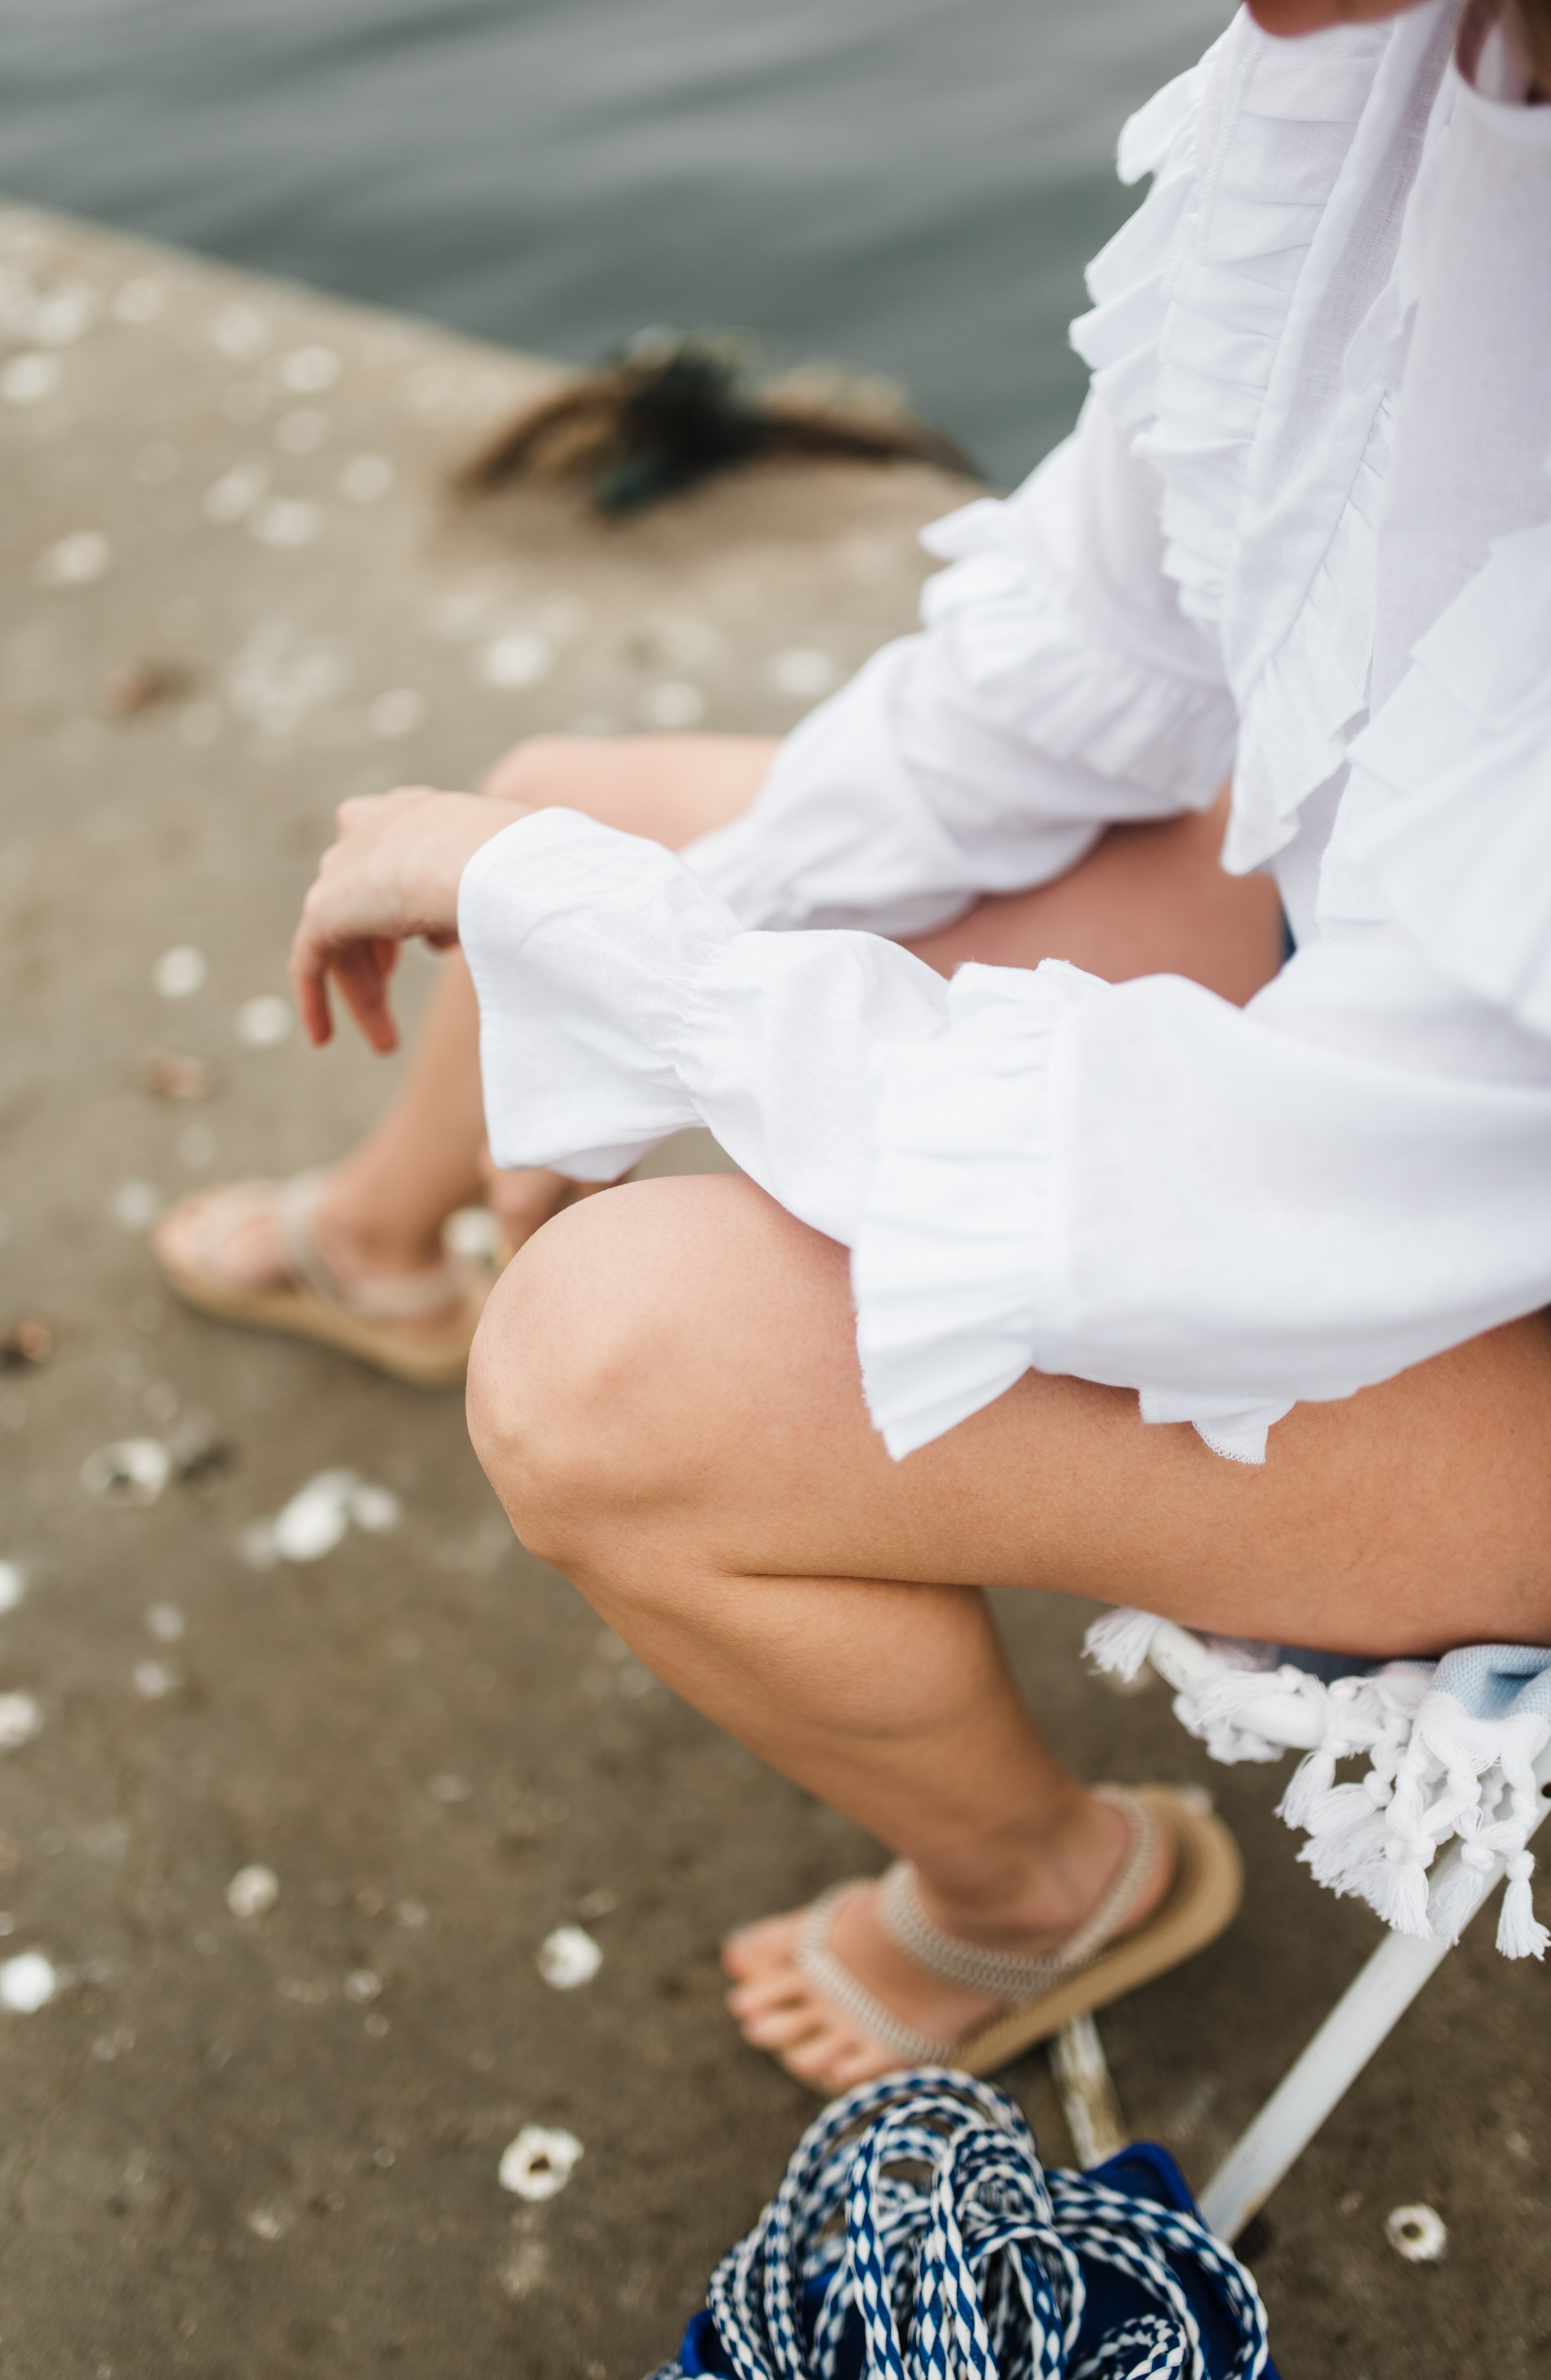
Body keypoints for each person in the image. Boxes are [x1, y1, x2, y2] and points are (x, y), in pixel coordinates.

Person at [199, 0, 1551, 2092]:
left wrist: (616, 945)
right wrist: (631, 900)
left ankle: (1046, 1893)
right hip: (1402, 1038)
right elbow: (1098, 642)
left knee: (600, 1373)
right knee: (588, 794)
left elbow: (1233, 1207)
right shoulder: (1383, 53)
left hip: (1438, 1235)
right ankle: (388, 1236)